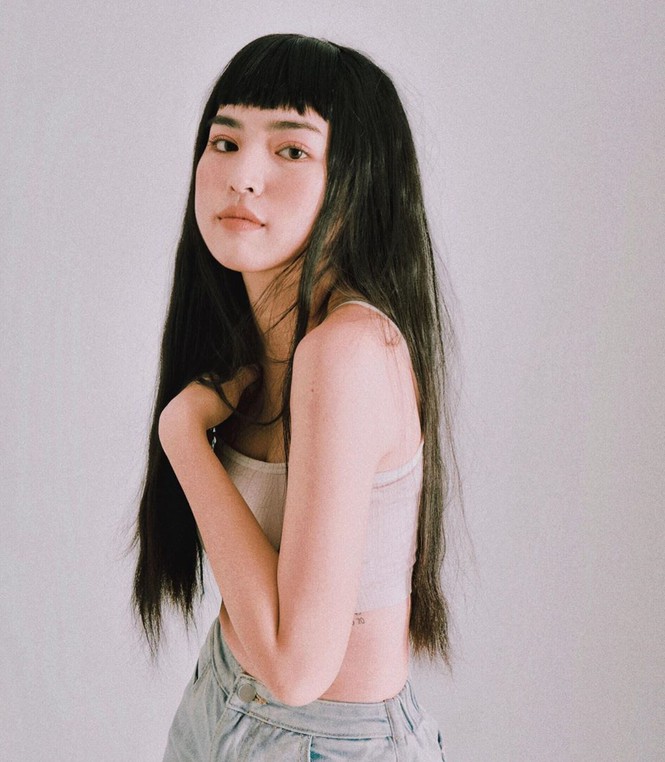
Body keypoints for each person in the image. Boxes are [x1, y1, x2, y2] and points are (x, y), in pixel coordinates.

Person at [132, 33, 459, 760]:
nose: (242, 176)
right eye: (224, 142)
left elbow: (295, 669)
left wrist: (183, 437)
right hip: (220, 698)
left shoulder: (346, 351)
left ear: (356, 184)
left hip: (324, 743)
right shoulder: (253, 341)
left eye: (290, 150)